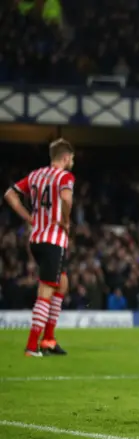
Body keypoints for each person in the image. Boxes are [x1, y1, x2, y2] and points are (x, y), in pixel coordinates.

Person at [4, 138, 75, 356]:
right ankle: (32, 345)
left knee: (62, 284)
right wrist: (65, 220)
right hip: (53, 240)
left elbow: (9, 194)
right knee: (46, 291)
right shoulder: (65, 176)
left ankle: (49, 339)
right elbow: (66, 197)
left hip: (36, 239)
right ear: (65, 158)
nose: (72, 162)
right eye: (71, 158)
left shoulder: (35, 175)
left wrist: (28, 217)